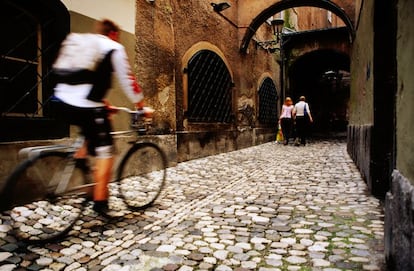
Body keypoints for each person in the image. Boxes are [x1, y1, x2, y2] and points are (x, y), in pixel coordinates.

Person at [51, 19, 145, 217]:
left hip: (58, 100)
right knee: (106, 152)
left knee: (88, 133)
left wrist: (103, 104)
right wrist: (140, 105)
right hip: (85, 106)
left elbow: (79, 78)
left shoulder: (80, 41)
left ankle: (87, 180)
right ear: (113, 34)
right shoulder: (114, 47)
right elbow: (128, 81)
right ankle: (101, 201)